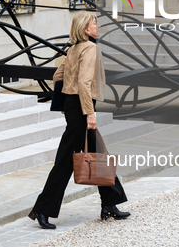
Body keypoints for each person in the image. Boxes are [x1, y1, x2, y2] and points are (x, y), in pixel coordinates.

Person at [28, 12, 130, 229]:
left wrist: (65, 106)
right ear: (86, 29)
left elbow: (58, 77)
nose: (97, 25)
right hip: (83, 109)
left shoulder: (73, 49)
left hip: (74, 107)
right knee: (65, 161)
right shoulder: (90, 48)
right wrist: (90, 113)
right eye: (94, 22)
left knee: (98, 154)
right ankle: (42, 208)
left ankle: (109, 204)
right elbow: (84, 83)